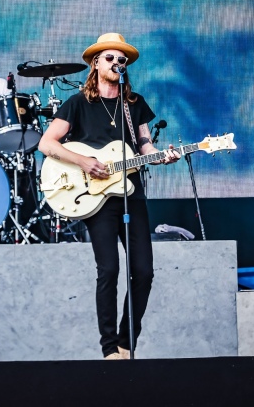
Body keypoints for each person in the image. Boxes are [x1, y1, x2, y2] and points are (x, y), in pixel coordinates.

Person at [38, 32, 180, 360]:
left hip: (131, 194)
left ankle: (126, 342)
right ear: (95, 63)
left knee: (143, 271)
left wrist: (162, 155)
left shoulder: (134, 105)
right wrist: (84, 161)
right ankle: (108, 348)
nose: (117, 63)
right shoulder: (78, 104)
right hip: (93, 196)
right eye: (110, 58)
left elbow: (145, 145)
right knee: (110, 270)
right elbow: (47, 143)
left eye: (122, 59)